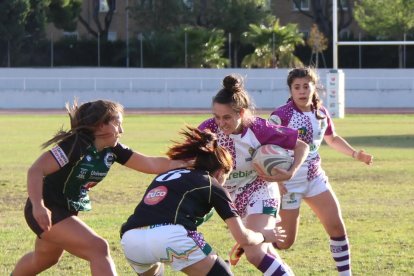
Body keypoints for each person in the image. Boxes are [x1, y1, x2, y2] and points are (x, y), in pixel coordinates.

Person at [12, 99, 190, 276]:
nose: (121, 130)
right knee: (98, 248)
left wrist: (184, 163)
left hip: (66, 210)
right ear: (101, 126)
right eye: (117, 124)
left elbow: (149, 164)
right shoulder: (75, 145)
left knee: (44, 259)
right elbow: (36, 170)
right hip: (47, 209)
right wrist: (38, 205)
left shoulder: (113, 150)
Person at [120, 126, 290, 276]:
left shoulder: (166, 175)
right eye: (227, 176)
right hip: (171, 235)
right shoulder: (212, 183)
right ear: (220, 172)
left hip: (131, 239)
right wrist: (263, 236)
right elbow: (243, 237)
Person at [198, 74, 309, 275]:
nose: (220, 123)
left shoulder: (258, 128)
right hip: (230, 197)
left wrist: (290, 173)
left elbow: (301, 146)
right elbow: (188, 158)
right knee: (264, 252)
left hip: (261, 189)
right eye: (216, 116)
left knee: (255, 252)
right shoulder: (208, 129)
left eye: (227, 117)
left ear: (241, 112)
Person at [268, 67, 374, 276]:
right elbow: (266, 148)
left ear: (314, 87)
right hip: (289, 182)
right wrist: (276, 181)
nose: (302, 91)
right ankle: (254, 243)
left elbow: (332, 138)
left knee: (336, 227)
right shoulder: (281, 115)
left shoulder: (321, 112)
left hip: (315, 177)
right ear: (290, 90)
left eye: (306, 86)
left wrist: (355, 155)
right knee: (285, 242)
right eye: (297, 87)